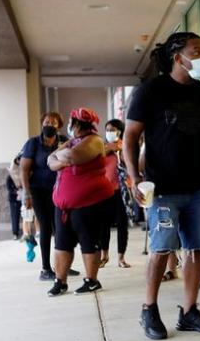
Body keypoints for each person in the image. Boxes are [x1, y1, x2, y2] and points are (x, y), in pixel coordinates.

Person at [124, 31, 200, 340]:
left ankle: (190, 311)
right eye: (197, 50)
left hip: (198, 187)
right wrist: (134, 177)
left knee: (196, 248)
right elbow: (129, 138)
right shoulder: (150, 92)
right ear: (176, 56)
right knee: (161, 247)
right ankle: (149, 309)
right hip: (163, 187)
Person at [46, 108, 114, 296]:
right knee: (61, 243)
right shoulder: (73, 141)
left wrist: (62, 157)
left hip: (89, 203)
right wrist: (62, 159)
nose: (69, 125)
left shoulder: (94, 140)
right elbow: (49, 161)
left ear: (76, 124)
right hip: (63, 205)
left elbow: (70, 156)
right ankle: (60, 281)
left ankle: (92, 280)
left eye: (71, 122)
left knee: (88, 242)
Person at [21, 112, 78, 281]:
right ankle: (46, 269)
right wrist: (26, 193)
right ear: (41, 124)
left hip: (60, 191)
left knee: (62, 227)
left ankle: (63, 265)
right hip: (38, 191)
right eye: (46, 122)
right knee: (46, 227)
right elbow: (24, 169)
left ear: (58, 126)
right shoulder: (33, 143)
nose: (49, 125)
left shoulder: (63, 141)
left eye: (53, 123)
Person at [99, 119, 132, 269]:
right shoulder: (100, 147)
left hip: (121, 191)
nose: (110, 132)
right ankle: (103, 255)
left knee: (122, 224)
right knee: (103, 224)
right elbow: (97, 158)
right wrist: (109, 149)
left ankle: (121, 257)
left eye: (113, 129)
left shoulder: (126, 146)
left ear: (120, 131)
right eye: (107, 130)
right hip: (104, 191)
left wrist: (120, 150)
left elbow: (130, 163)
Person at [7, 154, 23, 240]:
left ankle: (26, 233)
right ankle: (15, 233)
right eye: (17, 161)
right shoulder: (10, 175)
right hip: (14, 199)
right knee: (15, 216)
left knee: (25, 216)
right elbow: (9, 187)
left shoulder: (23, 171)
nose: (18, 162)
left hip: (23, 196)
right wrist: (16, 192)